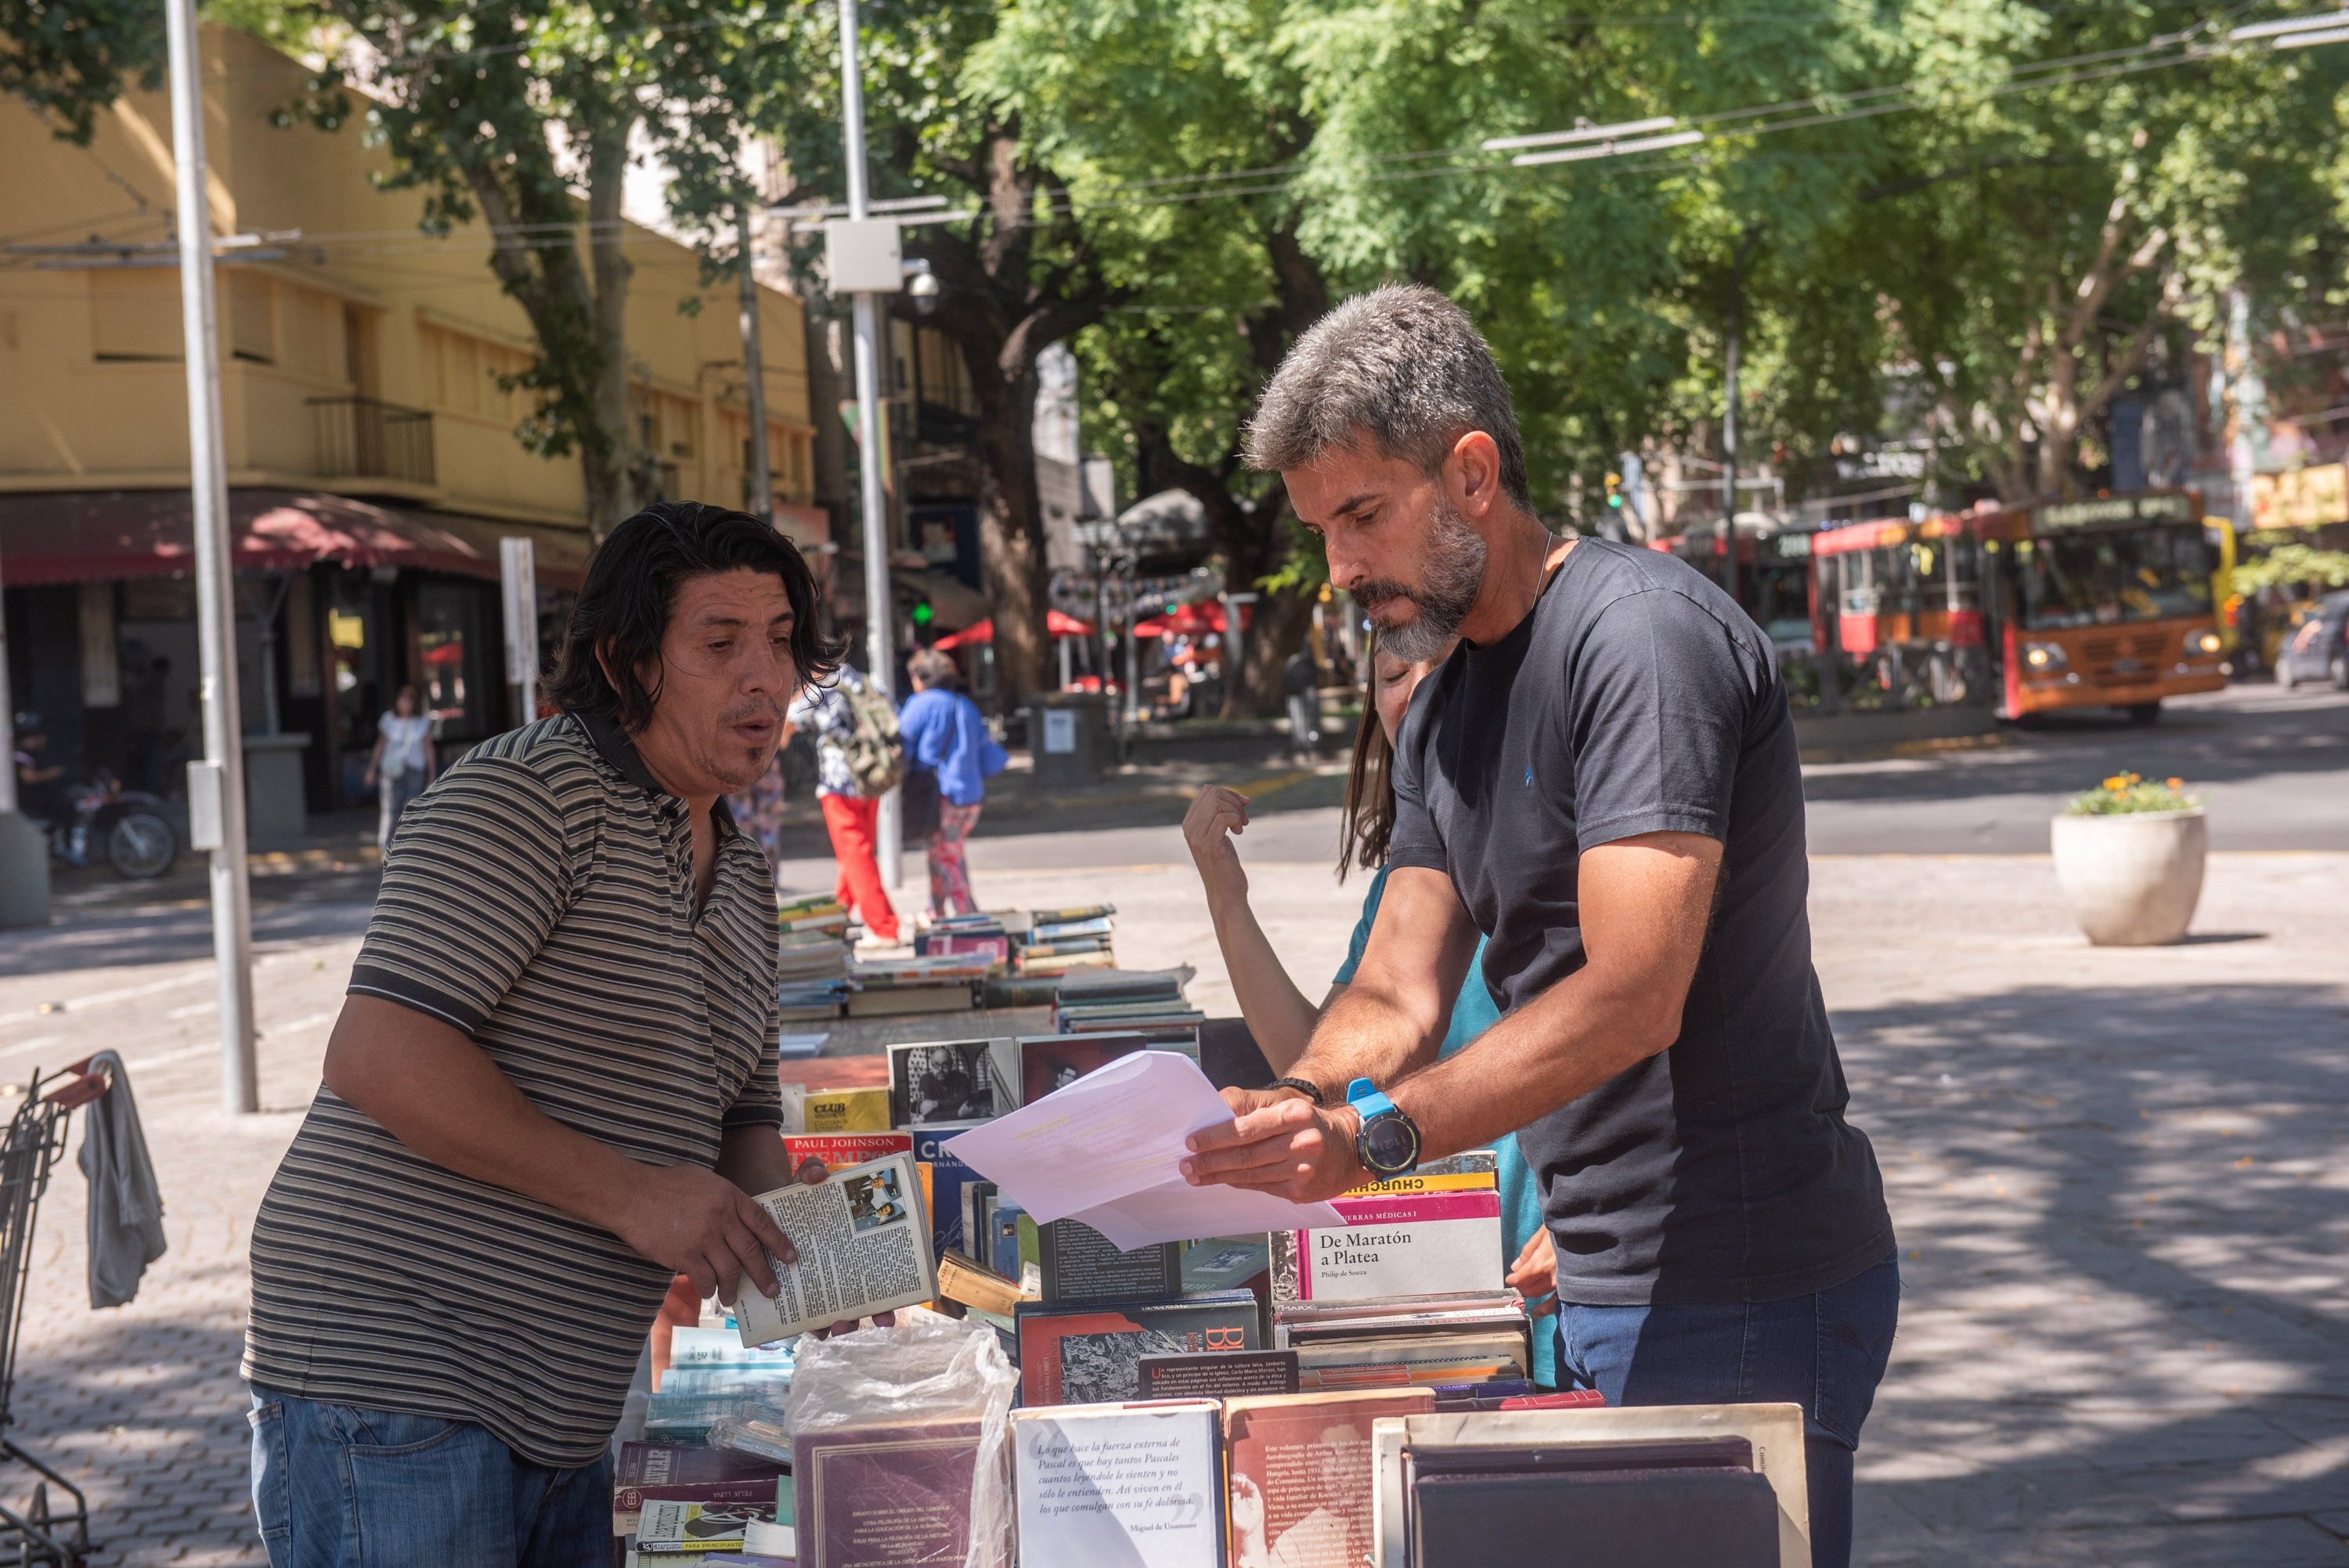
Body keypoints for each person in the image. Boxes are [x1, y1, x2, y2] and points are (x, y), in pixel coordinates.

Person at [1182, 285, 1896, 1568]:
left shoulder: (1640, 640)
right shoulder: (1450, 702)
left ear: (1471, 471)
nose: (1339, 568)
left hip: (1739, 1273)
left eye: (1360, 515)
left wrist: (1378, 1134)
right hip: (1604, 1272)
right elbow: (1396, 985)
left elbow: (1634, 992)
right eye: (1319, 529)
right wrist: (1295, 1101)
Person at [244, 501, 855, 1568]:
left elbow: (742, 1116)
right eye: (720, 643)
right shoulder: (527, 790)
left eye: (784, 643)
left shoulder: (747, 868)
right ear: (626, 660)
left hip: (562, 1398)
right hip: (397, 1376)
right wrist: (633, 1194)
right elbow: (381, 1053)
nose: (765, 677)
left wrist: (820, 1269)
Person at [1184, 629, 1559, 1388]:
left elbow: (1640, 1029)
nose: (1417, 695)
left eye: (1444, 671)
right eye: (1392, 675)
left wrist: (1599, 1208)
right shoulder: (1406, 883)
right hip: (1434, 1294)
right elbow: (1319, 1055)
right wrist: (1227, 897)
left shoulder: (1560, 845)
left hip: (1554, 1275)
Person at [787, 662, 901, 945]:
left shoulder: (821, 689)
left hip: (838, 784)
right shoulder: (865, 680)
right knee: (853, 854)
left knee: (856, 855)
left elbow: (789, 720)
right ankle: (835, 920)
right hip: (871, 777)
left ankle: (884, 927)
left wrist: (797, 695)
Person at [897, 647, 1007, 919]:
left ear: (920, 677)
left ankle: (967, 914)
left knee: (946, 855)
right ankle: (935, 910)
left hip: (941, 796)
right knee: (941, 853)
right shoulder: (965, 705)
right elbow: (990, 759)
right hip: (971, 796)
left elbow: (900, 744)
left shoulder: (921, 704)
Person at [361, 683, 436, 853]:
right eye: (402, 699)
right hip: (392, 770)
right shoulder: (388, 719)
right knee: (391, 808)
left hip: (415, 769)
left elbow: (428, 748)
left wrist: (432, 774)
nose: (405, 704)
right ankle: (386, 847)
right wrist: (371, 769)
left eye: (409, 700)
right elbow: (380, 745)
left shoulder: (421, 722)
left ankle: (410, 846)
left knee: (411, 807)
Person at [1281, 647, 1320, 757]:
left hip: (1305, 695)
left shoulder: (1302, 663)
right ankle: (1302, 745)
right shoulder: (1294, 662)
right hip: (1296, 696)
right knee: (1299, 721)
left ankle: (1310, 744)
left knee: (1309, 720)